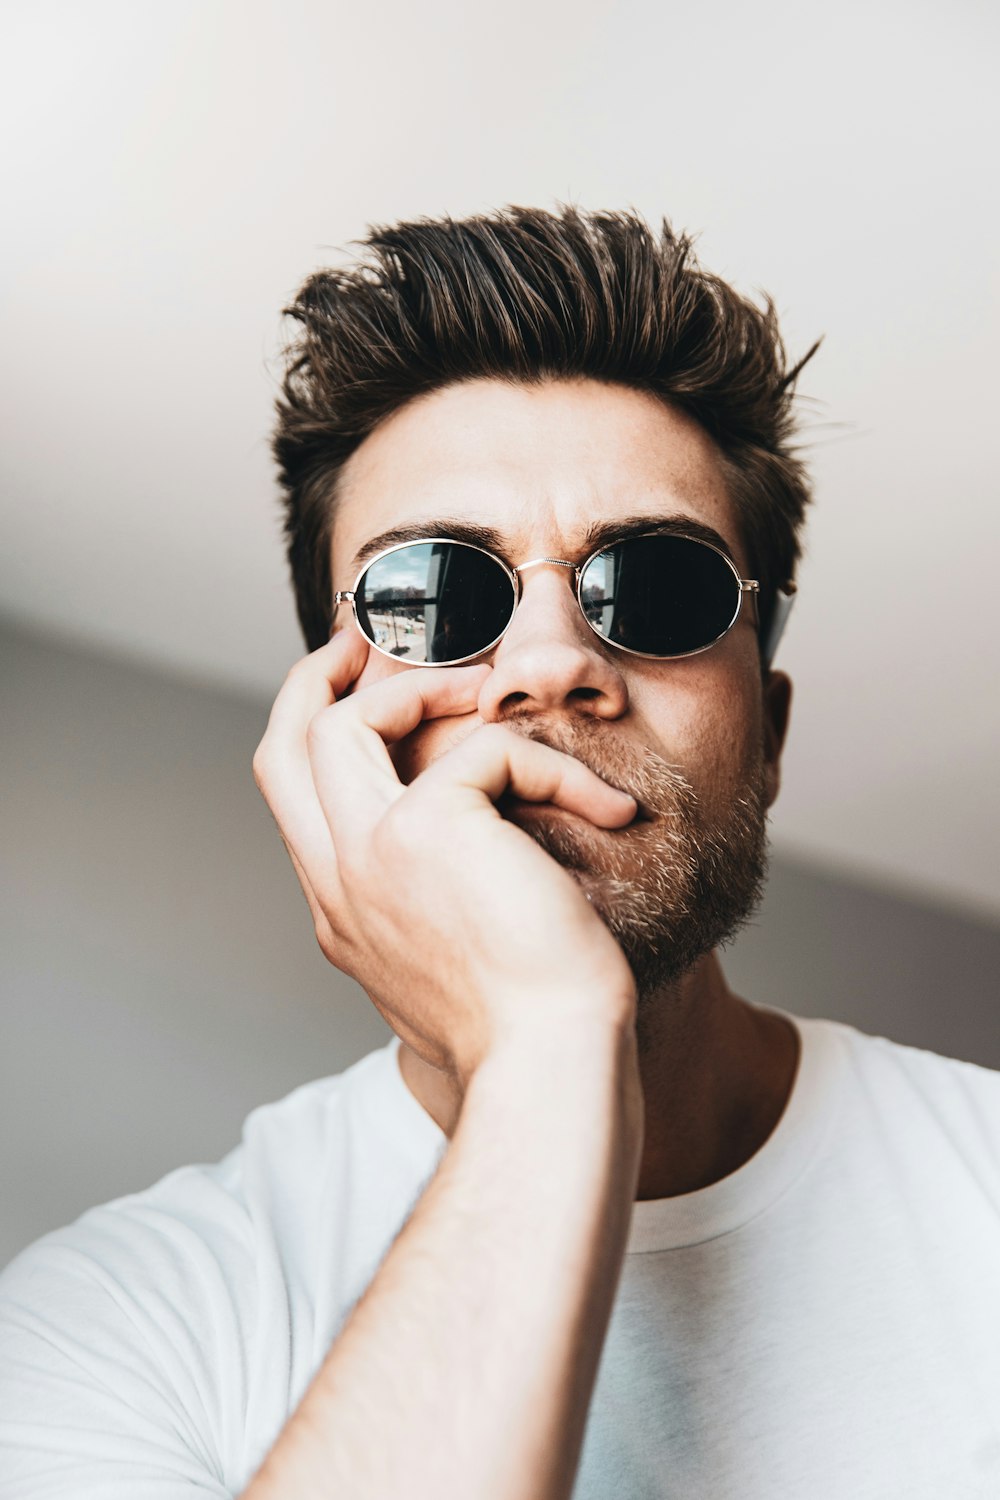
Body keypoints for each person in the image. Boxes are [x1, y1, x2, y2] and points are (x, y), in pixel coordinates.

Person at [1, 207, 999, 1500]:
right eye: (440, 592)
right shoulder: (114, 1331)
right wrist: (545, 1040)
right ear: (327, 732)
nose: (551, 667)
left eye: (655, 586)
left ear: (769, 735)